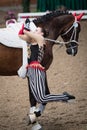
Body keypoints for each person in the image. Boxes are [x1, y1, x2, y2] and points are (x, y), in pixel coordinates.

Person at [18, 21, 75, 116]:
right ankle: (64, 97)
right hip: (31, 71)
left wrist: (26, 27)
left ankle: (65, 97)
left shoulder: (40, 39)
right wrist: (24, 27)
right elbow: (20, 35)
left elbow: (27, 33)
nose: (34, 31)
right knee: (38, 98)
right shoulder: (32, 40)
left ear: (42, 33)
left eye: (36, 30)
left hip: (37, 70)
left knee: (42, 98)